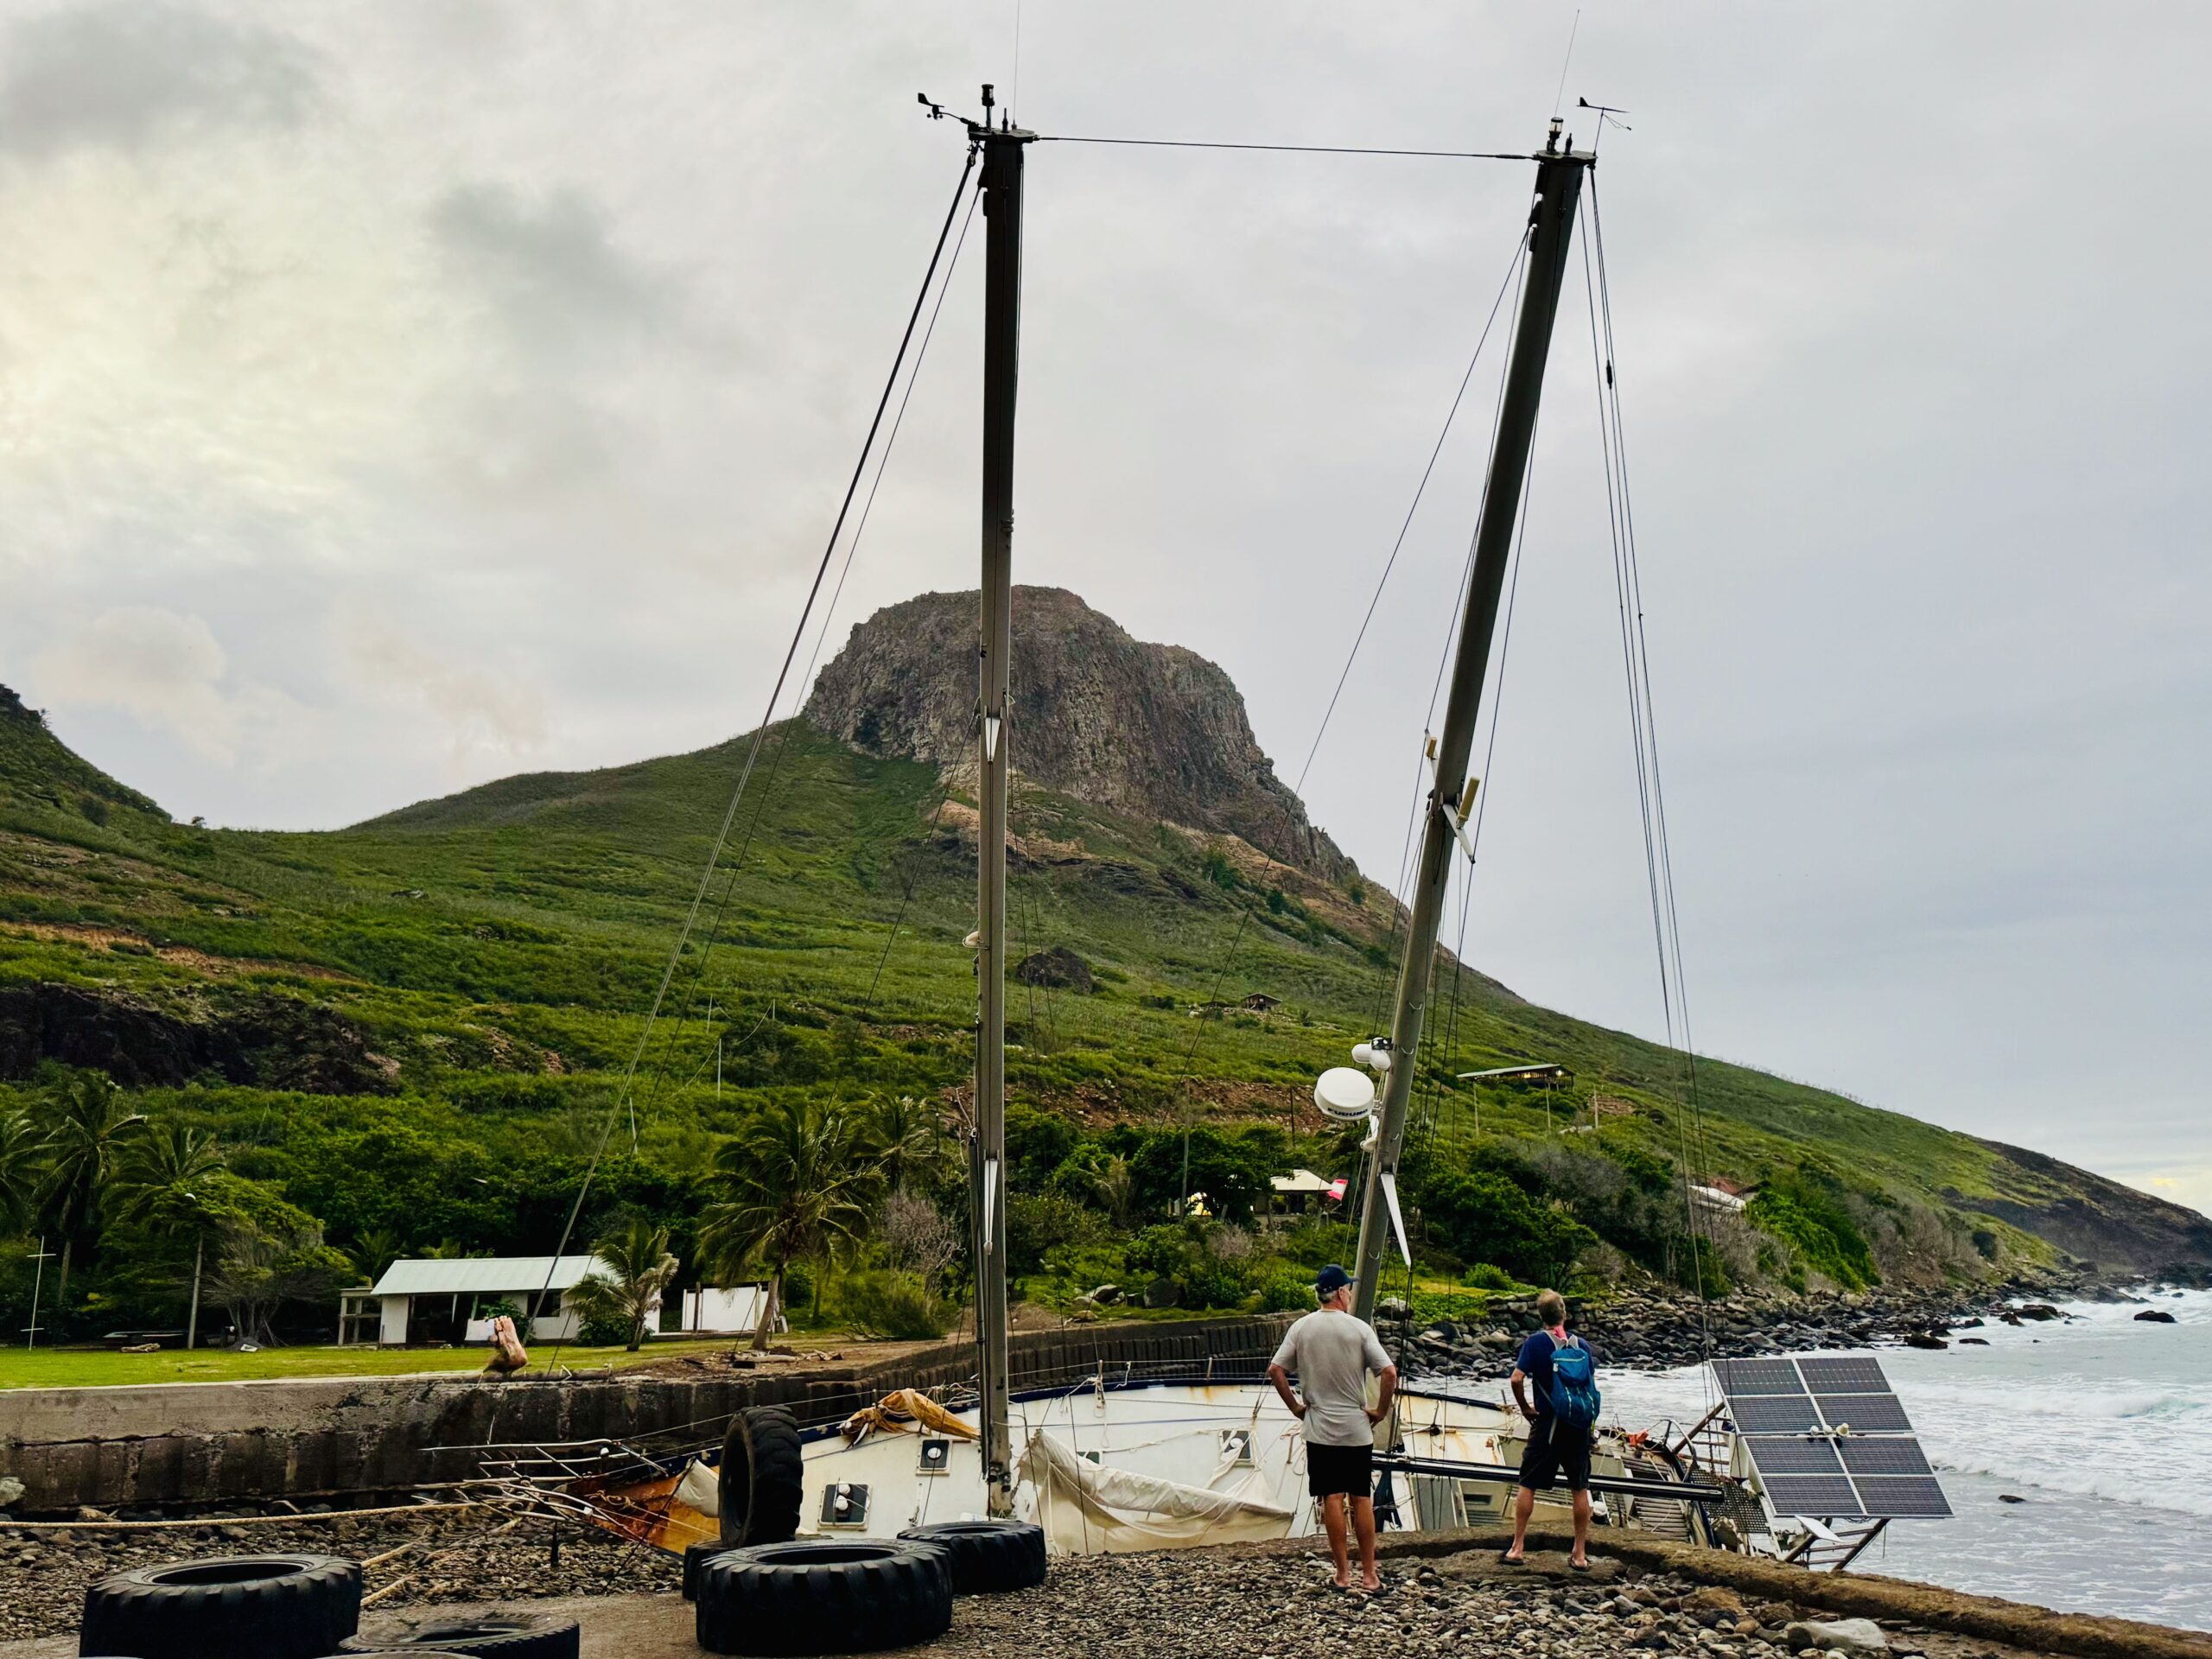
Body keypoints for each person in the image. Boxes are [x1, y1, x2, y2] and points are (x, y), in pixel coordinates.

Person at [1268, 1264, 1398, 1592]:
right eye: (1348, 1289)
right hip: (1356, 1427)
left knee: (1332, 1497)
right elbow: (1389, 1373)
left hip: (1320, 1426)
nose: (1350, 1293)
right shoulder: (1359, 1329)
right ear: (1341, 1293)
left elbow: (1276, 1369)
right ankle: (1370, 1575)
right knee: (1361, 1498)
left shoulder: (1301, 1328)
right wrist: (1380, 1411)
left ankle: (1342, 1574)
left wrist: (1297, 1407)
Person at [1503, 1287, 1596, 1569]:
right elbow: (1589, 1385)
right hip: (1578, 1425)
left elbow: (1516, 1379)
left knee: (1528, 1483)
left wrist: (1525, 1408)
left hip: (1548, 1424)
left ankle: (1518, 1547)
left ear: (1540, 1316)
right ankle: (1579, 1554)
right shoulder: (1582, 1346)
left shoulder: (1535, 1344)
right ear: (1564, 1314)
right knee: (1579, 1488)